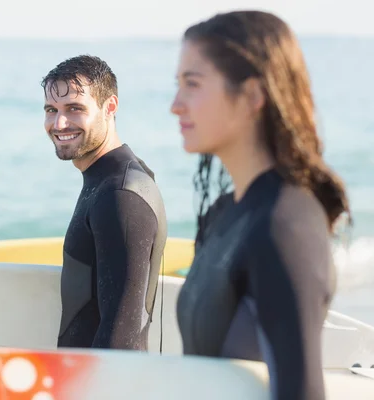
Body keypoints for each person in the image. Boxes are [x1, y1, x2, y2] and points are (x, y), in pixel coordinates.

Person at [170, 10, 351, 400]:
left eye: (192, 84)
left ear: (252, 95)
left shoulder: (285, 223)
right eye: (177, 85)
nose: (175, 105)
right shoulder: (223, 214)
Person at [41, 55, 168, 350]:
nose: (59, 123)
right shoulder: (111, 180)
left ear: (109, 107)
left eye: (75, 108)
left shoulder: (120, 195)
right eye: (51, 109)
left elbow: (122, 334)